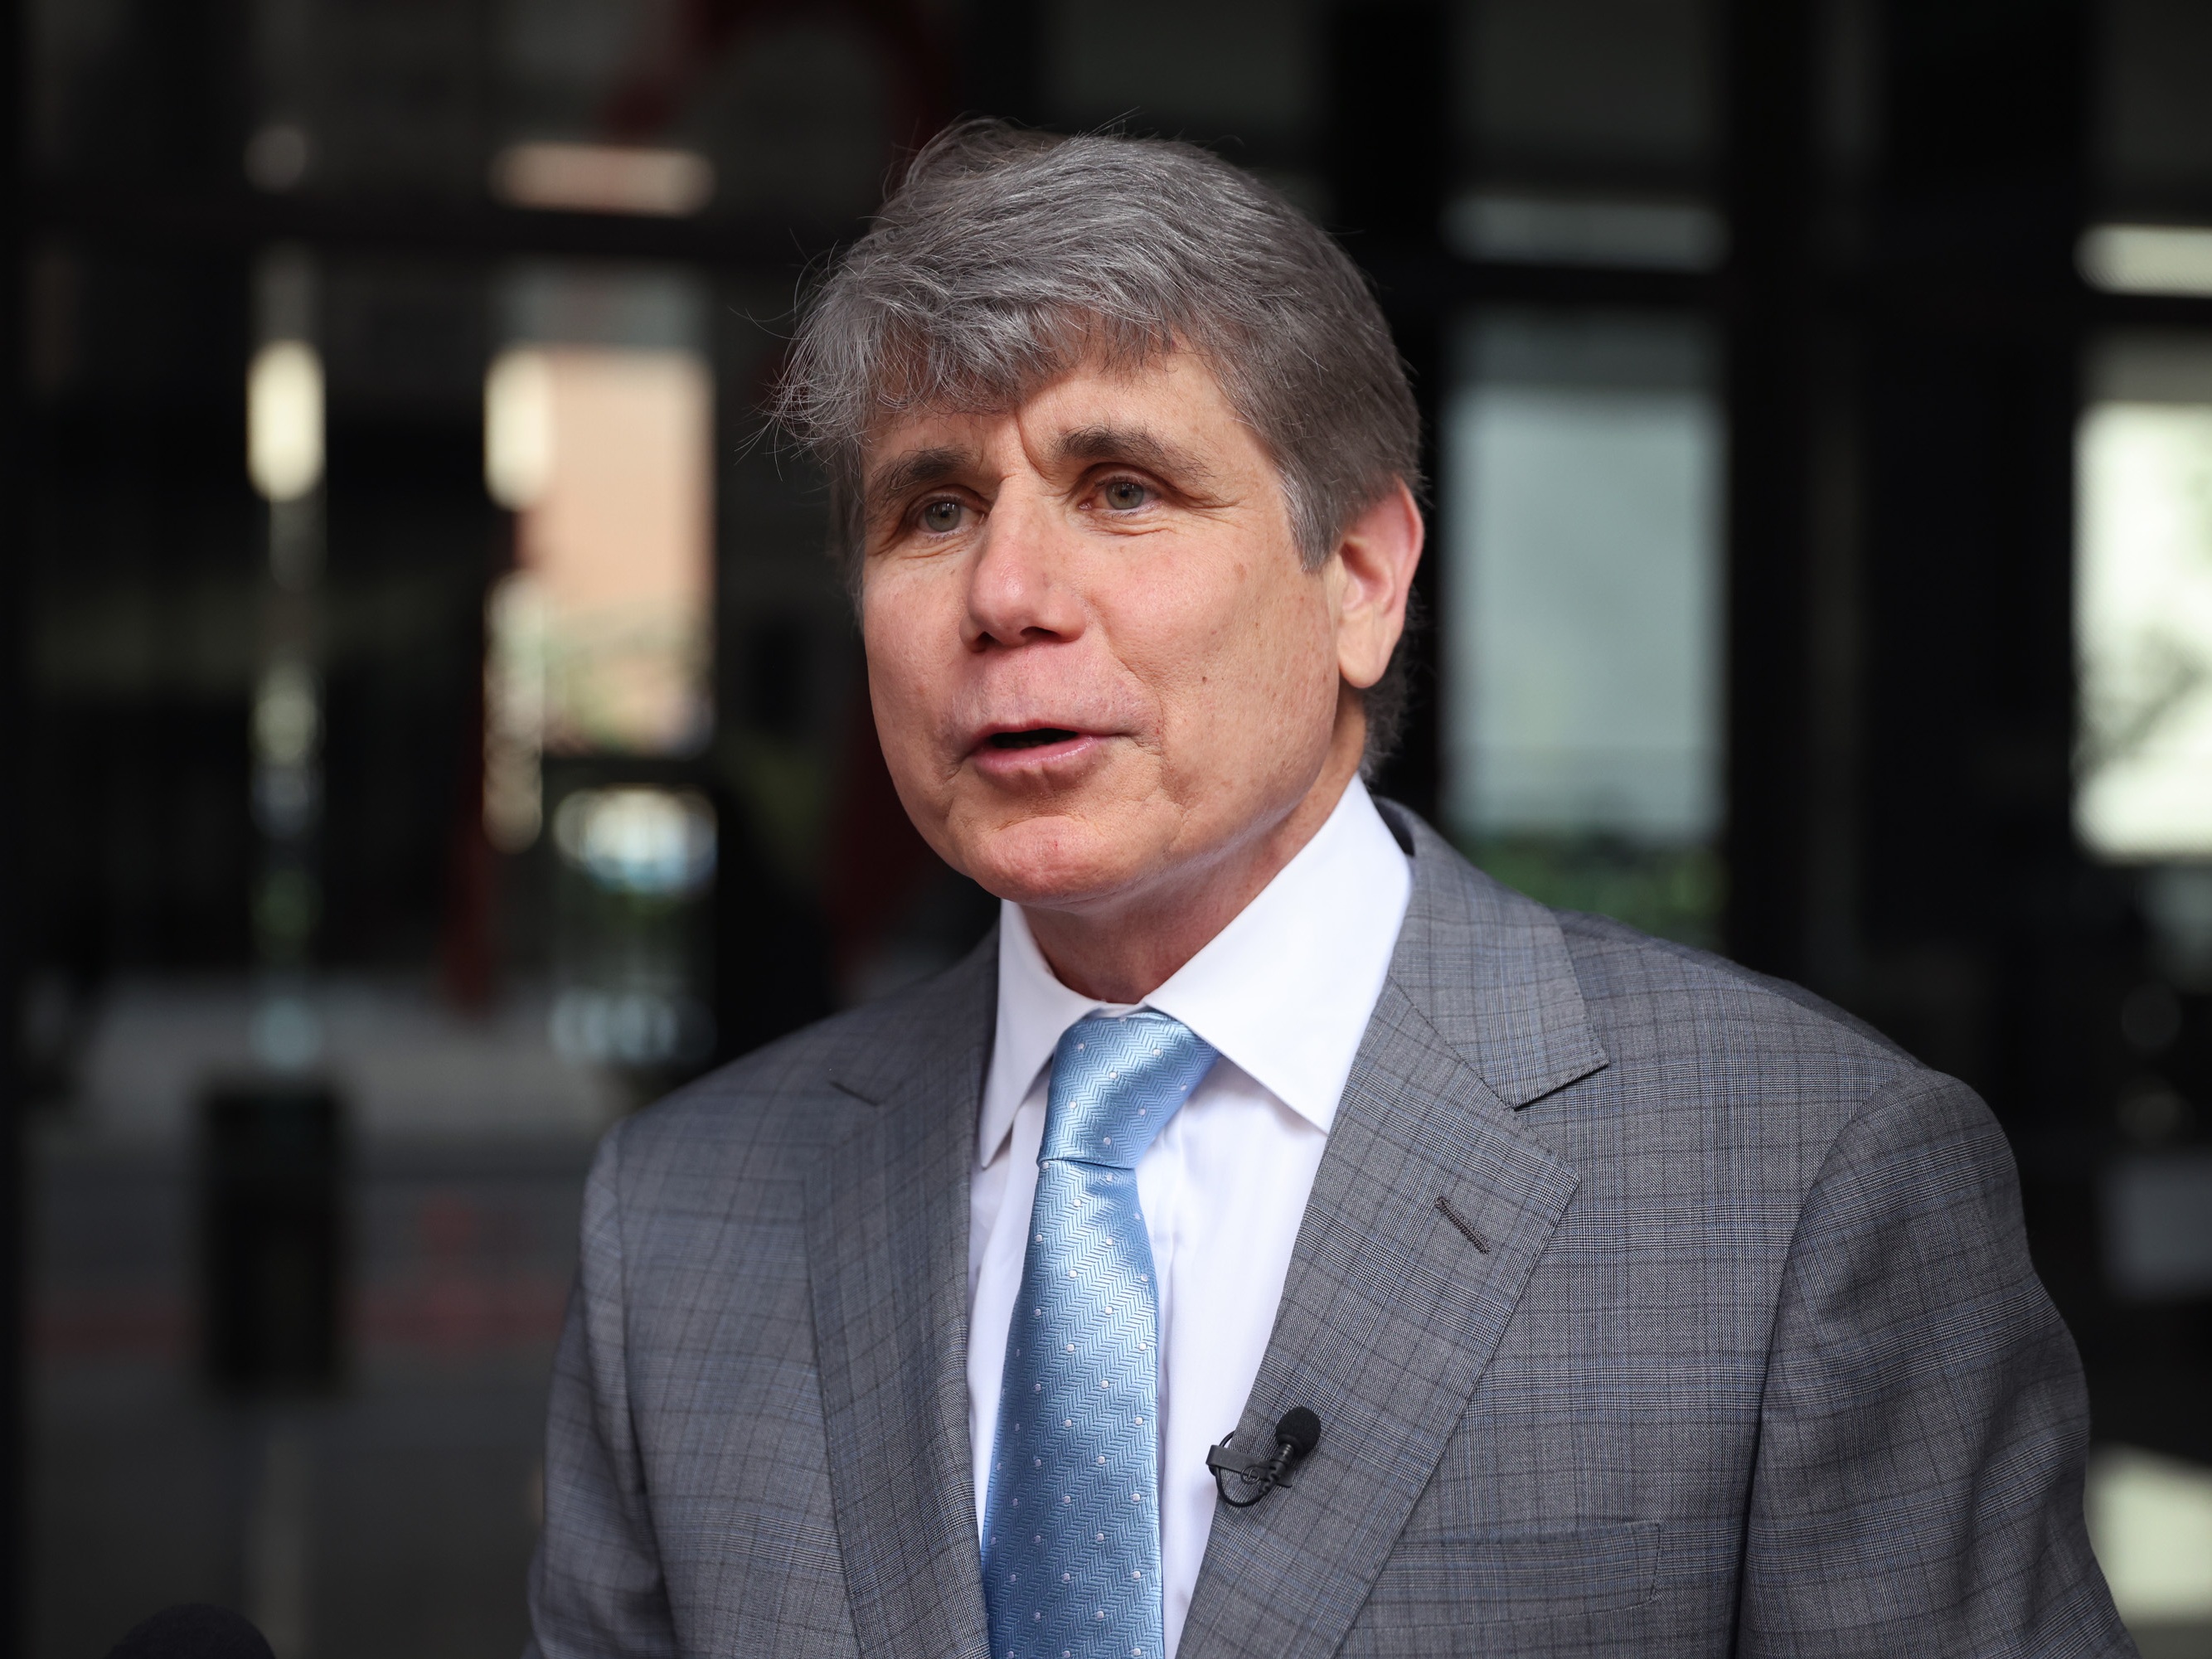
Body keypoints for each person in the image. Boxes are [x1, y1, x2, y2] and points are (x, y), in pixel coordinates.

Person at [526, 122, 2132, 1659]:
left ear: (1359, 577)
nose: (1006, 595)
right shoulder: (680, 1219)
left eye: (1121, 489)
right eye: (931, 508)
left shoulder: (1802, 1187)